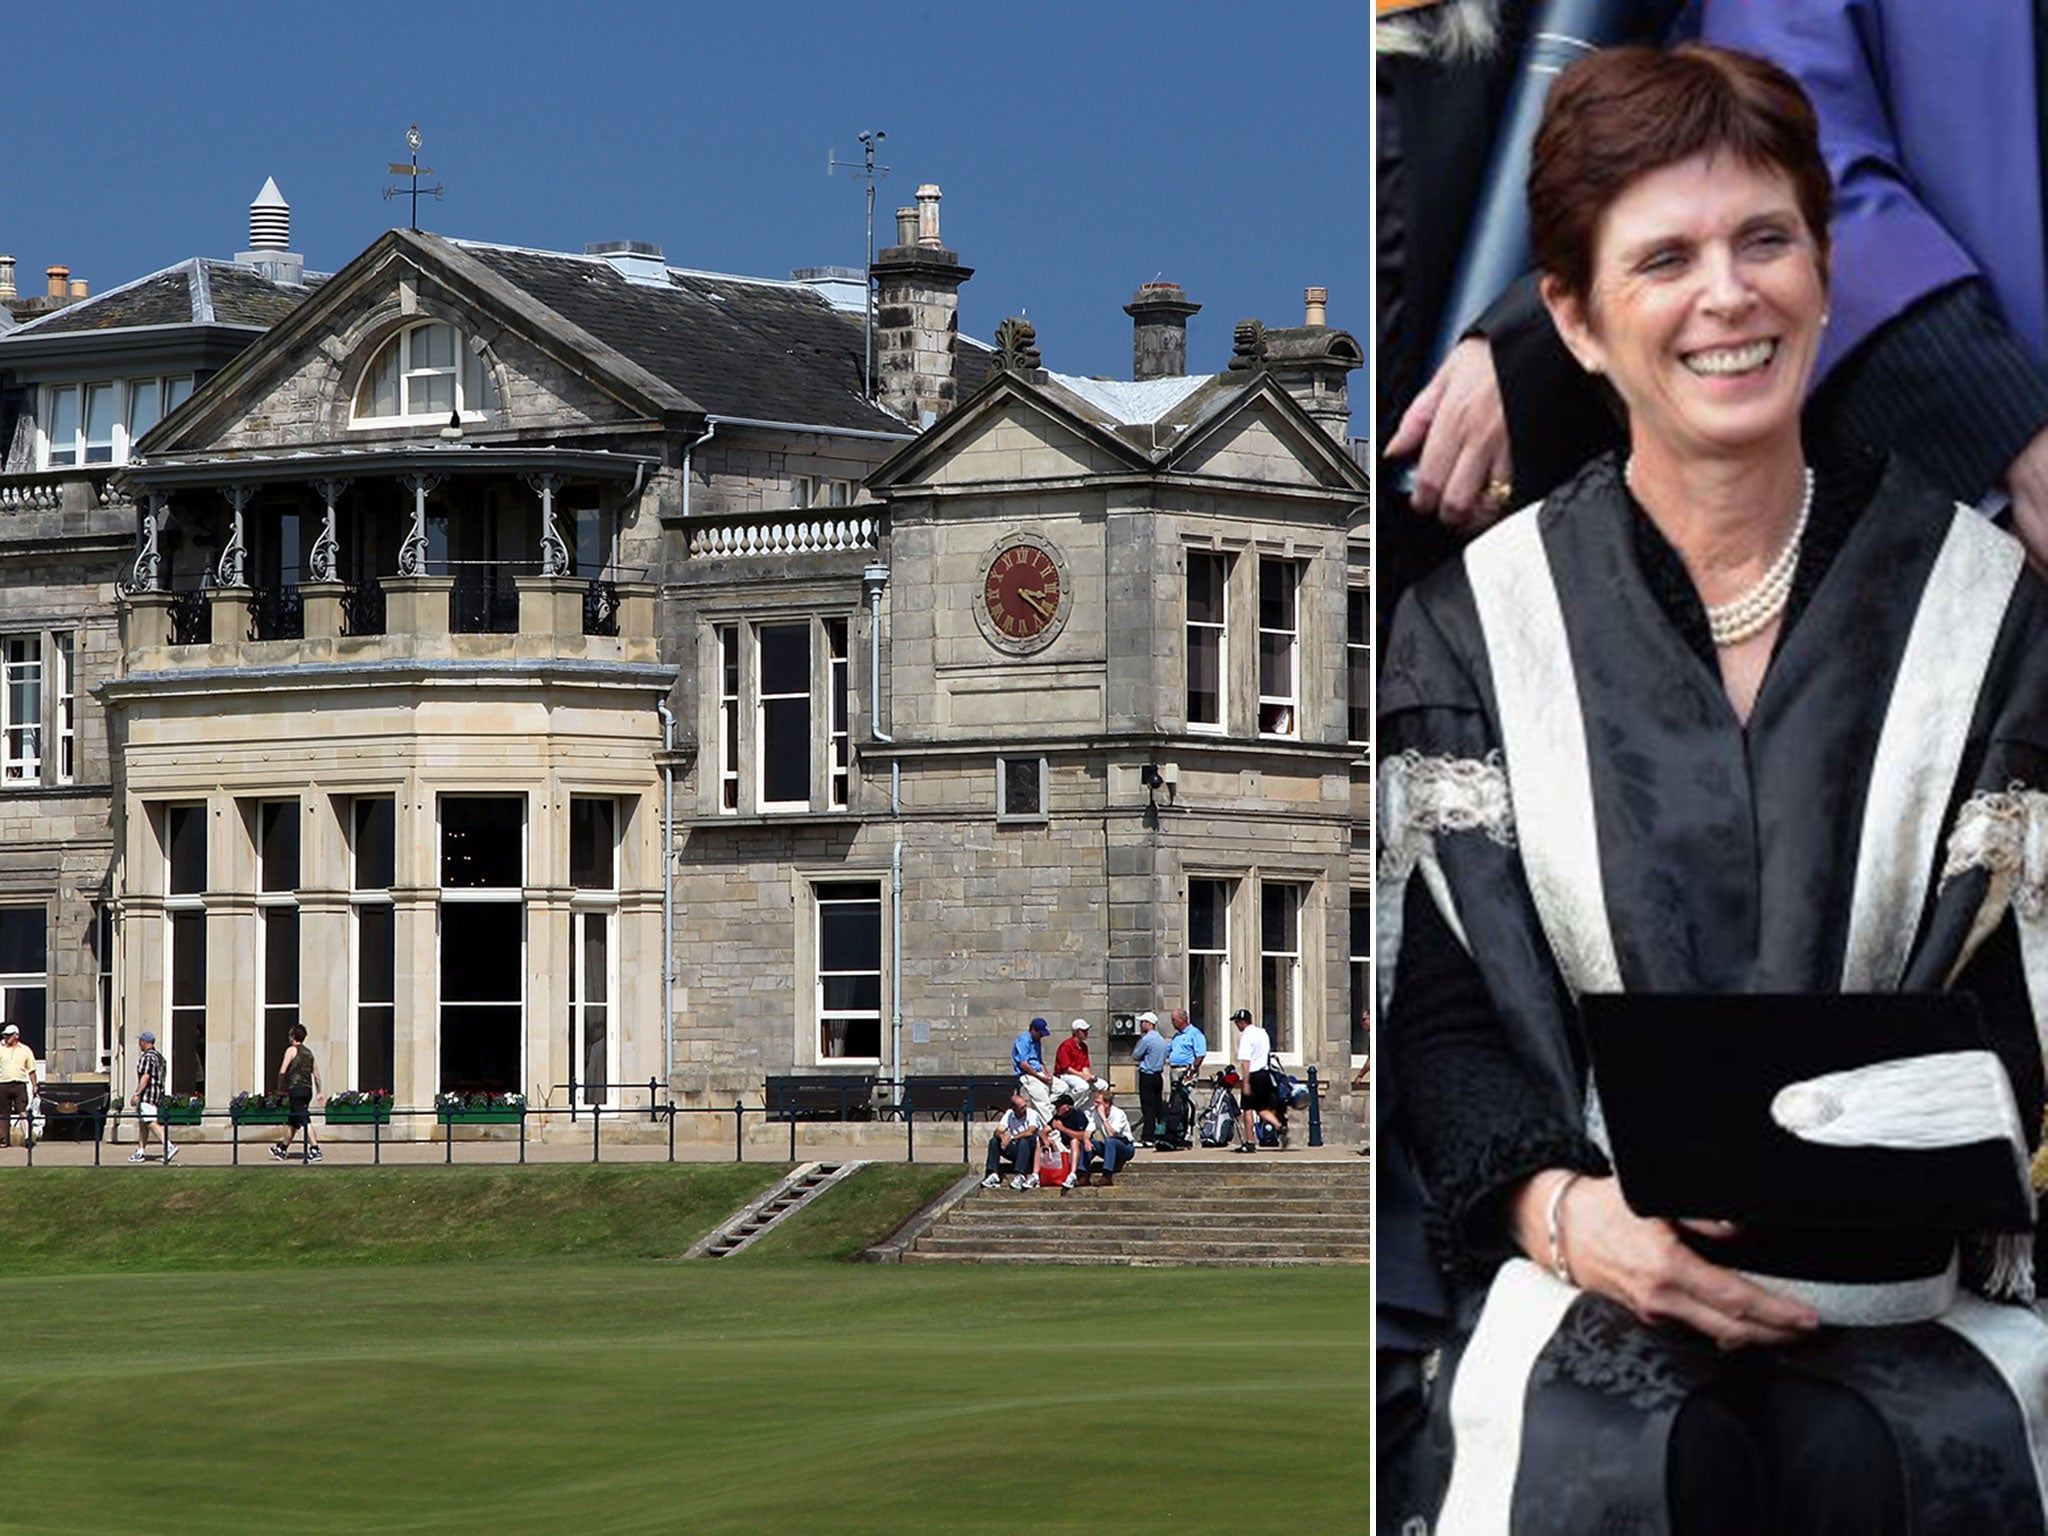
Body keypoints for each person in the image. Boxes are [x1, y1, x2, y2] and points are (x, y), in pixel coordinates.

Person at [1380, 43, 2048, 1533]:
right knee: (1628, 1466)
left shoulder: (1986, 608)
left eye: (1766, 240)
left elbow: (2019, 996)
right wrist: (1565, 1214)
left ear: (1824, 267)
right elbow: (1443, 1013)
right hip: (1589, 1279)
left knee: (1891, 1464)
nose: (1727, 296)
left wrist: (1901, 1151)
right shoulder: (1473, 626)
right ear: (1578, 316)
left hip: (1913, 1297)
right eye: (1664, 257)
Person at [269, 1024, 324, 1164]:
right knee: (293, 1121)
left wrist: (280, 1087)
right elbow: (316, 1074)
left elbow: (282, 1071)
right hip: (307, 1089)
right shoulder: (309, 1053)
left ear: (293, 1036)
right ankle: (282, 1148)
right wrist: (319, 1091)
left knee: (304, 1119)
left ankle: (315, 1148)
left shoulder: (291, 1050)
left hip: (296, 1089)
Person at [1232, 1008, 1282, 1153]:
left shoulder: (1246, 1037)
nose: (1237, 1026)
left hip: (1253, 1075)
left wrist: (1246, 1082)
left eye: (1237, 1023)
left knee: (1248, 1108)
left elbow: (1246, 1062)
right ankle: (1279, 1126)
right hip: (1265, 1073)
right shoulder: (1262, 1032)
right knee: (1261, 1107)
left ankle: (1249, 1142)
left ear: (1241, 1022)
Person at [130, 1030, 176, 1164]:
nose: (139, 1044)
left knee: (150, 1121)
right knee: (143, 1122)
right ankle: (140, 1151)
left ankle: (168, 1145)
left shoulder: (147, 1057)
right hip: (157, 1094)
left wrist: (137, 1093)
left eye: (140, 1041)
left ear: (145, 1042)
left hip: (148, 1094)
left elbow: (145, 1076)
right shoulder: (160, 1057)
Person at [981, 1091, 1043, 1189]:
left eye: (1025, 1106)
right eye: (1021, 1108)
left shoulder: (1032, 1114)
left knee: (1024, 1140)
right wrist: (1003, 1137)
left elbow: (1030, 1131)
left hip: (1031, 1149)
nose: (1025, 1109)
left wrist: (1012, 1137)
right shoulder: (1009, 1114)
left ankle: (1020, 1174)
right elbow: (998, 1130)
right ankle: (993, 1174)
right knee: (994, 1141)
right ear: (1014, 1109)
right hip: (1017, 1149)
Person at [1081, 1084, 1136, 1188]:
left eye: (1098, 1102)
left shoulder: (1118, 1114)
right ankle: (1083, 1174)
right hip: (1109, 1148)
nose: (1095, 1105)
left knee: (1110, 1141)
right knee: (1088, 1142)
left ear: (1106, 1104)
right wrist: (1087, 1140)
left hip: (1124, 1147)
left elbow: (1111, 1134)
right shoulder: (1095, 1114)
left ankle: (1107, 1176)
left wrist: (1103, 1118)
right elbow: (1087, 1131)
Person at [1130, 1010, 1168, 1141]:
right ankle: (1161, 1133)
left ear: (1149, 1024)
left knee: (1148, 1107)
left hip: (1147, 1075)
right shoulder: (1161, 1040)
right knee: (1158, 1105)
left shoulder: (1146, 1039)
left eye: (1143, 1022)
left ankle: (1148, 1136)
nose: (1141, 1025)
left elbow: (1136, 1055)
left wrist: (1138, 1044)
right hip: (1158, 1076)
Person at [1010, 1017, 1056, 1119]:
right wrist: (1040, 1078)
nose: (1041, 1036)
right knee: (1043, 1102)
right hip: (1028, 1074)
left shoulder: (1037, 1041)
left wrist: (1046, 1074)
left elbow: (1039, 1061)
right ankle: (1052, 1132)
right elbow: (1024, 1064)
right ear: (1033, 1030)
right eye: (1040, 1033)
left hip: (1039, 1072)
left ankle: (1050, 1106)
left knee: (1062, 1088)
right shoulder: (1024, 1040)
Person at [1045, 1092, 1092, 1191]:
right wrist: (1046, 1140)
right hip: (1065, 1147)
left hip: (1082, 1147)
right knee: (1040, 1143)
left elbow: (1083, 1136)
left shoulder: (1078, 1116)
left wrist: (1062, 1129)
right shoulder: (1058, 1117)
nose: (1056, 1108)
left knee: (1074, 1141)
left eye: (1058, 1106)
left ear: (1067, 1107)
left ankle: (1073, 1174)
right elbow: (1044, 1131)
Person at [0, 1023, 36, 1148]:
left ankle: (27, 1138)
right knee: (4, 1113)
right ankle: (3, 1139)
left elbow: (31, 1069)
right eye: (5, 1036)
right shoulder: (1, 1049)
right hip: (3, 1084)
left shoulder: (25, 1050)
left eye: (9, 1036)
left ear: (16, 1036)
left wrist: (34, 1085)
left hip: (19, 1084)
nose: (6, 1038)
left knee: (23, 1112)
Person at [1050, 1018, 1094, 1103]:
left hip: (1079, 1075)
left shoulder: (1084, 1047)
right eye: (1083, 1030)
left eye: (1086, 1030)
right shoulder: (1066, 1045)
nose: (1086, 1033)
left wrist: (1089, 1076)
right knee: (1083, 1086)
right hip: (1064, 1075)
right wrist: (1082, 1075)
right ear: (1076, 1032)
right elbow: (1066, 1068)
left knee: (1102, 1085)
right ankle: (1065, 1102)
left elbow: (1085, 1066)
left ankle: (1084, 1108)